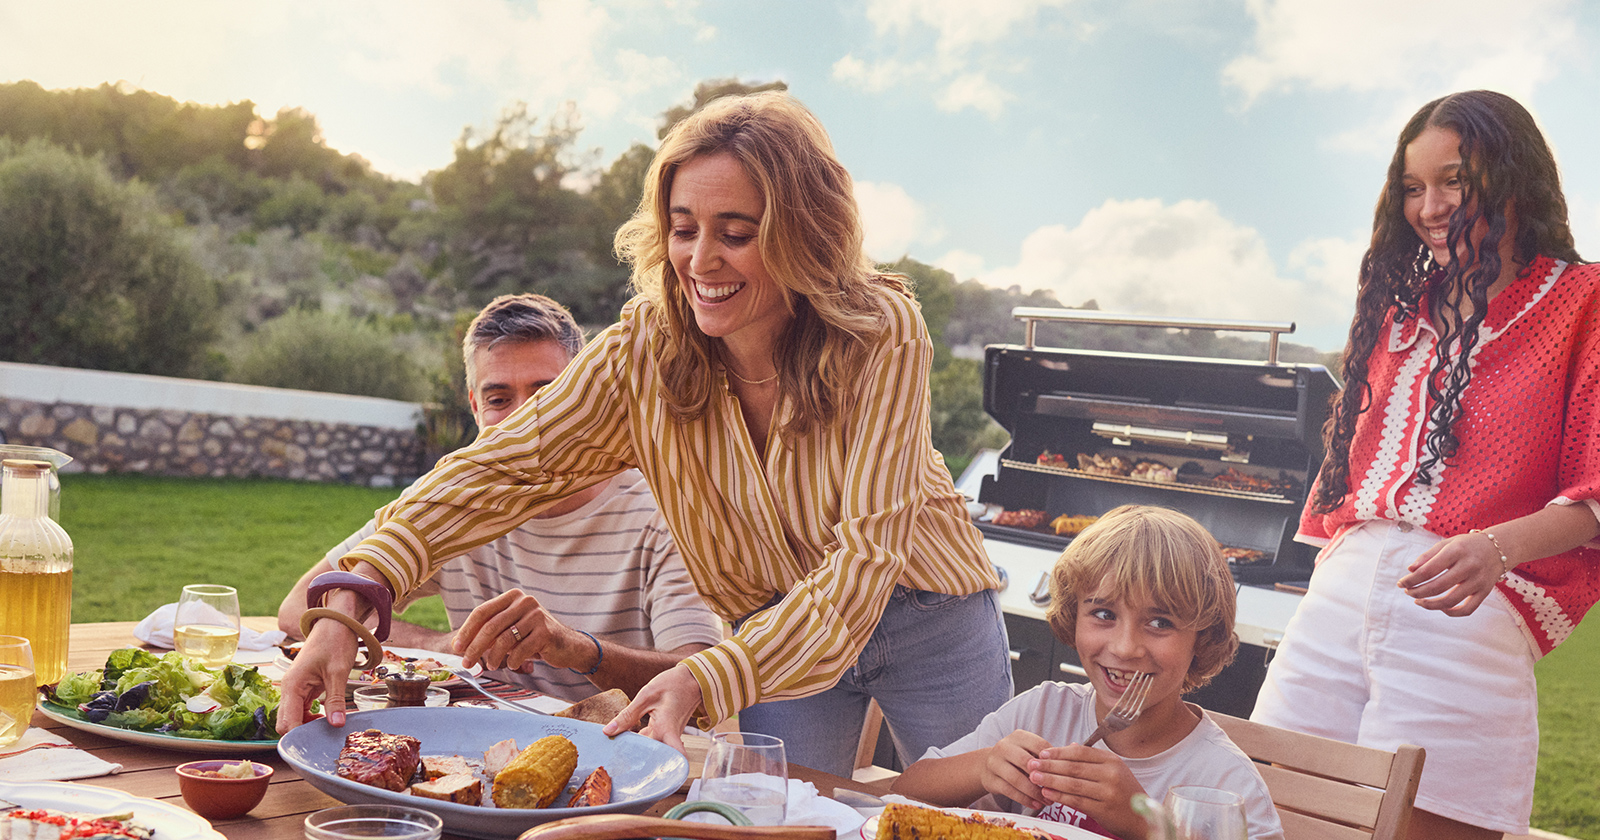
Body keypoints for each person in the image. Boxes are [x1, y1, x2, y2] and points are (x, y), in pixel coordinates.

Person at [276, 91, 1012, 777]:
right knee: (785, 820)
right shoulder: (646, 349)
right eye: (684, 229)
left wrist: (704, 673)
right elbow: (502, 467)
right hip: (771, 631)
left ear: (801, 235)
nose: (700, 261)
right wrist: (356, 593)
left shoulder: (880, 332)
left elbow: (864, 560)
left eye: (738, 233)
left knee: (995, 816)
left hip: (927, 619)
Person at [1251, 90, 1600, 840]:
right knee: (1271, 816)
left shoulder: (1584, 301)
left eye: (1453, 181)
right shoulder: (1401, 303)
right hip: (1340, 595)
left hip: (1467, 605)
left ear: (1513, 180)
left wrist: (1494, 547)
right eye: (1412, 187)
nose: (1429, 205)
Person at [276, 293, 724, 700]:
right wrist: (439, 645)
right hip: (477, 751)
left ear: (586, 401)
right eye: (499, 399)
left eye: (548, 396)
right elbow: (299, 607)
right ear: (475, 406)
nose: (524, 419)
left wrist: (576, 649)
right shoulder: (449, 500)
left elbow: (697, 680)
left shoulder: (663, 512)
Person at [892, 505, 1283, 840]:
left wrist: (1144, 821)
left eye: (1160, 622)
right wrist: (984, 767)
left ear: (1203, 637)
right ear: (1072, 615)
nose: (1125, 647)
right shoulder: (1044, 711)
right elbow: (903, 791)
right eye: (1103, 614)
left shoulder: (1226, 780)